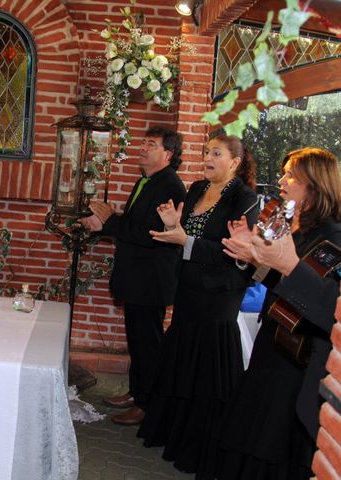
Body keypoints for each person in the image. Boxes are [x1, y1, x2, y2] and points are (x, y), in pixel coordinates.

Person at [214, 147, 341, 479]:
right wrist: (254, 257)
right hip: (273, 345)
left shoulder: (333, 238)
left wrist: (285, 265)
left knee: (272, 443)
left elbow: (326, 306)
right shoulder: (300, 228)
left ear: (314, 185)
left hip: (296, 362)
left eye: (291, 175)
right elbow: (282, 281)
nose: (282, 180)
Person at [136, 134, 258, 474]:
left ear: (234, 162)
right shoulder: (195, 190)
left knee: (208, 368)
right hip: (189, 287)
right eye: (206, 151)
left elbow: (234, 252)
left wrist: (185, 240)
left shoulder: (245, 199)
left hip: (220, 293)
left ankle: (202, 446)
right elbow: (186, 233)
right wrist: (174, 226)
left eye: (215, 153)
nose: (207, 157)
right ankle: (174, 433)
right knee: (182, 359)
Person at [80, 126, 186, 425]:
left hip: (150, 280)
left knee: (147, 344)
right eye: (143, 142)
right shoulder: (148, 180)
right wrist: (107, 222)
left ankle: (147, 404)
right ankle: (137, 392)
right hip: (137, 277)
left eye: (150, 144)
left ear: (168, 154)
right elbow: (134, 223)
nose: (142, 147)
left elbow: (151, 234)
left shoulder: (170, 187)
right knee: (137, 341)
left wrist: (110, 220)